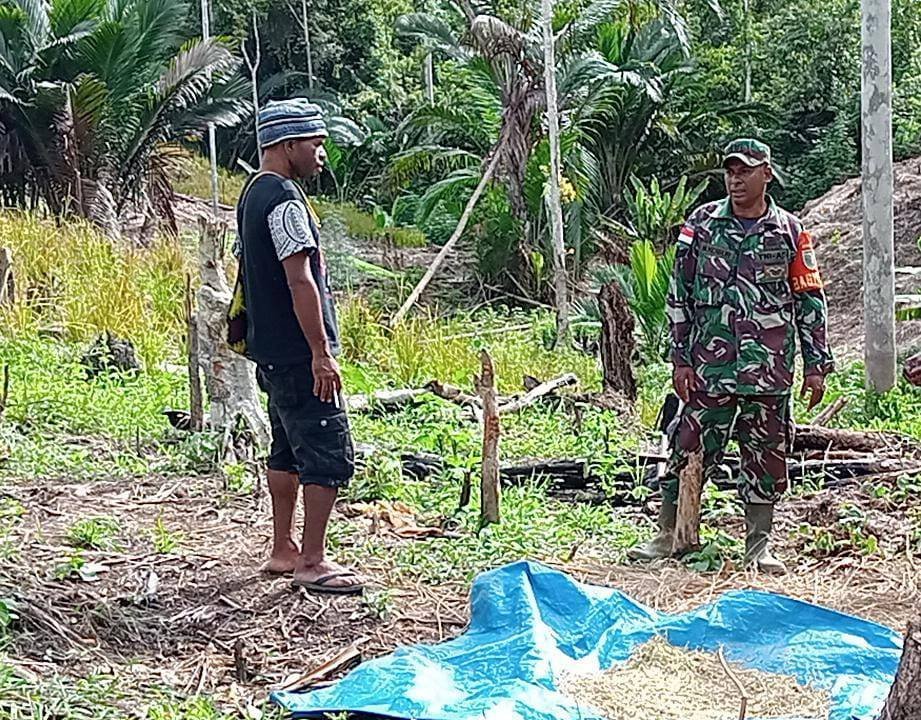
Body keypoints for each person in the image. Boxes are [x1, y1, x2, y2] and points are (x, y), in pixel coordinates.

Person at [628, 138, 834, 575]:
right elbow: (680, 294)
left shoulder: (790, 231)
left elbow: (809, 299)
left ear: (767, 174)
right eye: (731, 171)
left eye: (745, 171)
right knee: (687, 445)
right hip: (709, 368)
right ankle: (669, 534)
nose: (735, 179)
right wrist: (680, 359)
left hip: (769, 370)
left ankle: (758, 546)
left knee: (766, 456)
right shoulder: (702, 224)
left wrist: (816, 366)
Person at [235, 98, 363, 595]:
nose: (322, 153)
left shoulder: (252, 193)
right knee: (326, 451)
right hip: (298, 353)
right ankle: (312, 560)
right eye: (315, 143)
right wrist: (321, 353)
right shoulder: (285, 201)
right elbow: (300, 280)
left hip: (270, 350)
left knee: (285, 449)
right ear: (288, 145)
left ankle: (282, 548)